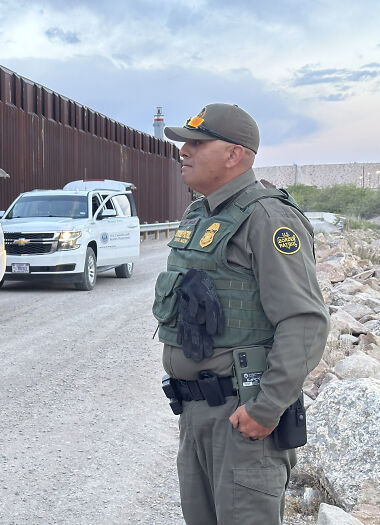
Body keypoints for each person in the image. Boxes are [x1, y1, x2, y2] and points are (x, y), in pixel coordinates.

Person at [153, 104, 329, 525]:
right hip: (197, 413)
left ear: (235, 155)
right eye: (183, 142)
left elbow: (304, 321)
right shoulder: (200, 214)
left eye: (197, 142)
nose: (183, 151)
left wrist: (265, 409)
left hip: (241, 416)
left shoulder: (268, 218)